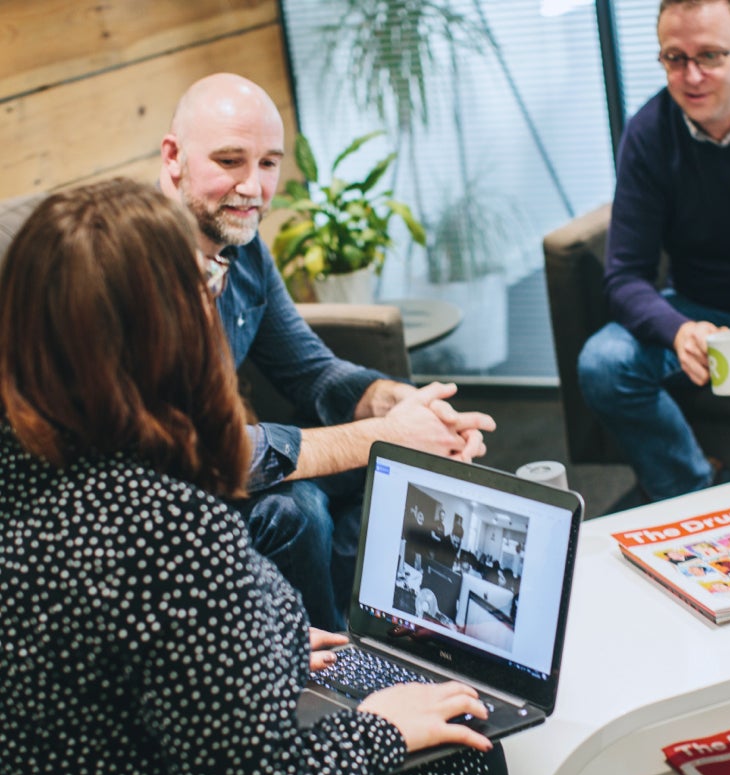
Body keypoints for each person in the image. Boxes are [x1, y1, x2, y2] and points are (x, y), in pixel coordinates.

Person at [0, 178, 508, 775]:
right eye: (206, 285)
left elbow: (122, 658)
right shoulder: (171, 531)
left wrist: (272, 645)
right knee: (466, 756)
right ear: (165, 332)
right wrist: (380, 728)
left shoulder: (24, 465)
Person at [159, 73, 496, 629]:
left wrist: (401, 407)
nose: (253, 187)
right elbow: (203, 452)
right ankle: (328, 676)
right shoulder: (129, 266)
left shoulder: (239, 248)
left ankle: (375, 633)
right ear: (173, 157)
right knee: (298, 510)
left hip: (223, 455)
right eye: (229, 161)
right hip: (169, 488)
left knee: (406, 465)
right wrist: (381, 436)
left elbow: (312, 372)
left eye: (268, 164)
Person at [577, 0, 730, 501]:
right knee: (604, 364)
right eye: (674, 57)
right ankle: (693, 491)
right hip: (700, 305)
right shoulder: (649, 131)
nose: (691, 76)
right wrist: (678, 331)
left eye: (710, 56)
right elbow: (625, 276)